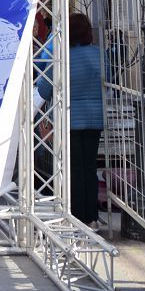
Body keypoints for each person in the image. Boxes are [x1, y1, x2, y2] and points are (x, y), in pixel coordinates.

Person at [37, 13, 104, 230]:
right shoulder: (99, 55)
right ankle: (92, 217)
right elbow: (109, 79)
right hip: (94, 119)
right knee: (89, 167)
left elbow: (44, 88)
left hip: (69, 120)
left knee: (73, 168)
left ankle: (76, 215)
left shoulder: (61, 57)